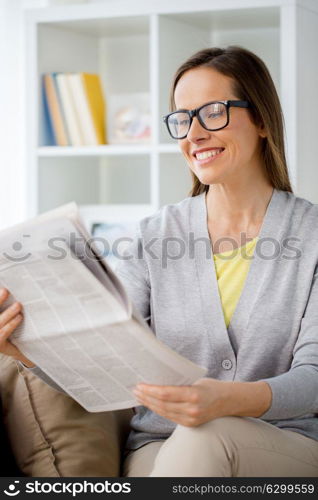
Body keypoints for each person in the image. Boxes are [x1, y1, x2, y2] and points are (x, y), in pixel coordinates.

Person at [1, 46, 318, 477]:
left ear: (261, 119)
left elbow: (313, 377)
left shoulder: (312, 235)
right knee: (189, 447)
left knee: (205, 436)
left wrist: (228, 401)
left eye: (212, 113)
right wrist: (29, 352)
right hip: (161, 443)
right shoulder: (155, 235)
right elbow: (108, 364)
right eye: (183, 119)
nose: (195, 134)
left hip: (284, 442)